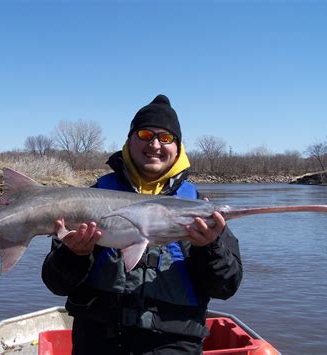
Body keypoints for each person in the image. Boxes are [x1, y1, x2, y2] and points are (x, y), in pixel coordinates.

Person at [42, 94, 243, 354]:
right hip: (98, 341)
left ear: (178, 147)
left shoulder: (199, 207)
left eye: (166, 138)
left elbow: (226, 286)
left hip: (173, 344)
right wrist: (75, 255)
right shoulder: (91, 198)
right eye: (146, 135)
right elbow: (56, 284)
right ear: (130, 140)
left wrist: (210, 248)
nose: (156, 145)